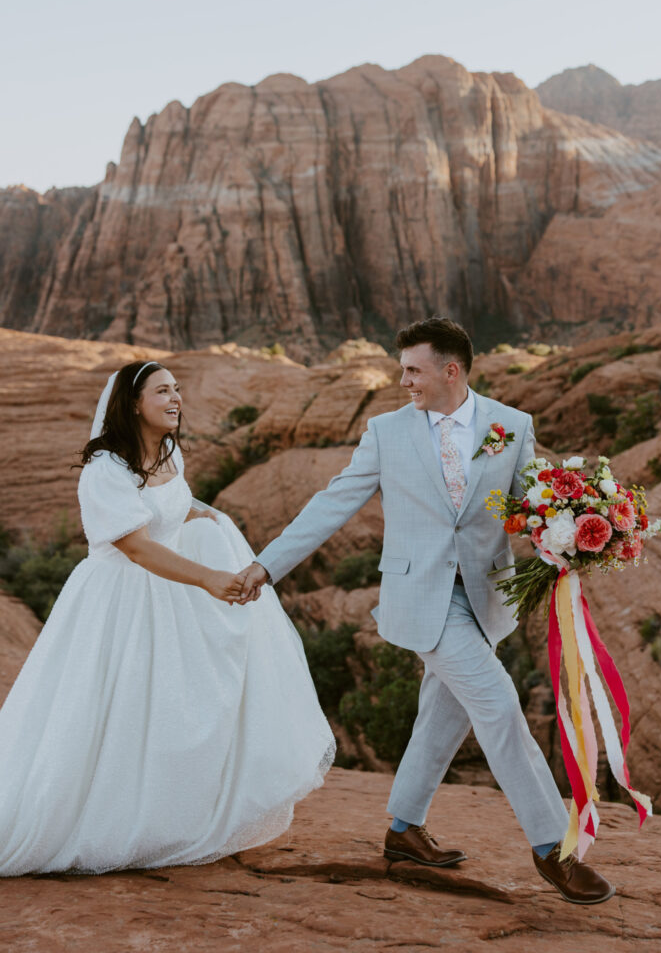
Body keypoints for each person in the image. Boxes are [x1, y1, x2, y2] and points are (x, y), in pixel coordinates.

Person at [237, 317, 615, 904]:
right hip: (421, 600)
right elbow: (331, 503)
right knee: (497, 704)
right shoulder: (387, 431)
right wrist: (265, 567)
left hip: (486, 598)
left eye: (413, 369)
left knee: (444, 717)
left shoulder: (510, 426)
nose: (404, 380)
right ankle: (553, 850)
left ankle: (403, 830)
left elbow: (534, 502)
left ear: (450, 370)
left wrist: (580, 533)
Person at [0, 360, 334, 875]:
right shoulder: (105, 468)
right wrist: (208, 578)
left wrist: (207, 518)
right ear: (134, 403)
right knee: (112, 711)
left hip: (167, 603)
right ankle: (93, 821)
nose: (176, 398)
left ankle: (165, 815)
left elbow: (173, 508)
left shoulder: (169, 454)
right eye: (163, 391)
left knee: (168, 708)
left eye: (178, 390)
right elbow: (136, 547)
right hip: (119, 604)